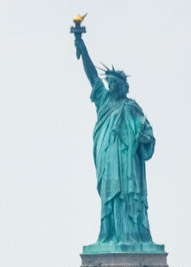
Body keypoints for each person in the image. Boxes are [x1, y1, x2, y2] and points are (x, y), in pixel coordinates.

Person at [73, 30, 157, 248]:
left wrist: (143, 138)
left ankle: (131, 235)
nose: (111, 86)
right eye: (109, 83)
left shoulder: (131, 108)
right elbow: (92, 76)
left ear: (123, 86)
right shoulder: (103, 100)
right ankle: (110, 234)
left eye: (114, 84)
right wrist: (82, 48)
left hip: (126, 161)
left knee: (128, 194)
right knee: (109, 197)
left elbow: (147, 134)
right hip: (107, 158)